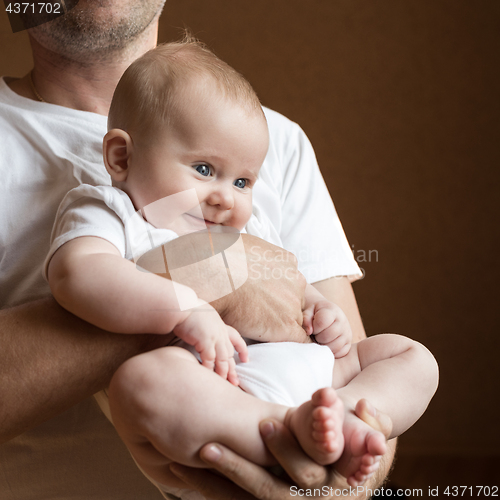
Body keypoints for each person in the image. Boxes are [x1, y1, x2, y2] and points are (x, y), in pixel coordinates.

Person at [0, 2, 396, 499]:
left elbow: (350, 372)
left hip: (293, 415)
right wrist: (217, 283)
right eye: (204, 171)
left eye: (242, 182)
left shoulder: (277, 142)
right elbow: (84, 274)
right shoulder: (104, 208)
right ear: (119, 157)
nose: (226, 196)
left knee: (408, 358)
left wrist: (326, 480)